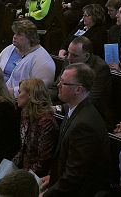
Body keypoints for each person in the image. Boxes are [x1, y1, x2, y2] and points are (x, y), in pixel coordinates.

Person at [41, 63, 110, 197]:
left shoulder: (85, 125)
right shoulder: (73, 109)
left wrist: (47, 195)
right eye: (60, 81)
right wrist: (54, 177)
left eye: (64, 83)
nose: (58, 85)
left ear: (78, 89)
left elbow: (75, 175)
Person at [0, 19, 56, 97]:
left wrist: (10, 92)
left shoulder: (43, 60)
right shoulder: (10, 48)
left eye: (19, 34)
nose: (14, 37)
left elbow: (37, 88)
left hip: (18, 99)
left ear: (30, 38)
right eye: (15, 33)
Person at [13, 78, 58, 177]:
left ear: (30, 95)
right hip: (20, 168)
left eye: (20, 92)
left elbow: (43, 160)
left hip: (35, 175)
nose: (17, 96)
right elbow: (22, 147)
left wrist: (24, 176)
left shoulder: (46, 121)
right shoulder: (25, 112)